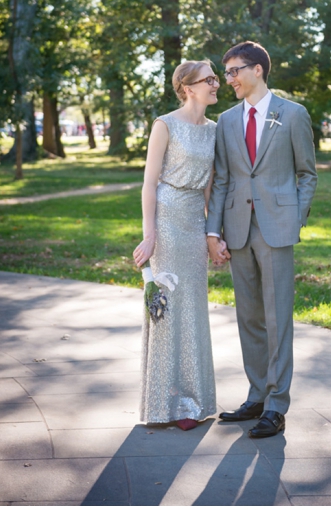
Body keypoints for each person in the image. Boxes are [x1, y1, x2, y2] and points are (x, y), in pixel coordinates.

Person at [206, 41, 317, 439]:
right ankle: (256, 395)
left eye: (235, 71)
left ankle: (276, 404)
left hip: (276, 228)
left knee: (277, 317)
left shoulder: (293, 115)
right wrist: (213, 231)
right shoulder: (227, 121)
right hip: (237, 228)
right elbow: (221, 180)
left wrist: (295, 218)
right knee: (249, 316)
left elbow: (307, 173)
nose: (229, 79)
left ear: (257, 70)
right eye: (228, 72)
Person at [134, 60, 224, 430]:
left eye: (217, 78)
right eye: (210, 79)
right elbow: (149, 183)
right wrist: (150, 233)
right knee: (167, 309)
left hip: (194, 222)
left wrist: (212, 234)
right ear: (187, 87)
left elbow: (209, 187)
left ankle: (193, 401)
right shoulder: (165, 124)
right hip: (167, 220)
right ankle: (165, 403)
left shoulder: (215, 130)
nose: (217, 84)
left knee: (193, 308)